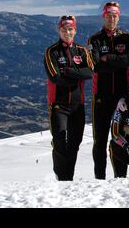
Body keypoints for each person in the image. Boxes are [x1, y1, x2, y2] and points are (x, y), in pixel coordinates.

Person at [87, 1, 129, 179]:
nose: (112, 18)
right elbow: (95, 65)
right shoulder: (95, 39)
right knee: (99, 141)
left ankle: (120, 177)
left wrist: (108, 58)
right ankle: (99, 178)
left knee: (121, 139)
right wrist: (118, 61)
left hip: (122, 98)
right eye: (108, 15)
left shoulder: (126, 38)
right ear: (103, 16)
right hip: (100, 97)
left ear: (119, 16)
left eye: (115, 15)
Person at [44, 15, 94, 181]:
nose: (67, 32)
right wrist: (78, 75)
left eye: (70, 29)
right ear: (59, 30)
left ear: (75, 30)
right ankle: (61, 175)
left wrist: (69, 71)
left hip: (77, 104)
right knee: (59, 139)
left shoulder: (82, 50)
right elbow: (55, 77)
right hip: (58, 104)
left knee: (74, 142)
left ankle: (68, 178)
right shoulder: (51, 51)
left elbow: (90, 72)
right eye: (64, 29)